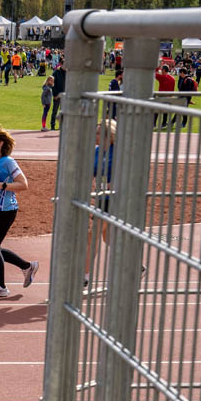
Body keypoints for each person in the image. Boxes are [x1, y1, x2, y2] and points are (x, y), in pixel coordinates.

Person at [0, 126, 39, 298]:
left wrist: (2, 185)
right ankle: (27, 267)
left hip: (7, 211)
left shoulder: (8, 162)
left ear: (0, 143)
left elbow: (23, 184)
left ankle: (0, 286)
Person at [84, 119, 115, 287]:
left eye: (98, 132)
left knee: (93, 235)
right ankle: (137, 266)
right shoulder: (96, 152)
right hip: (102, 199)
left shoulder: (118, 152)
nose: (95, 135)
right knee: (108, 237)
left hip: (115, 200)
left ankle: (84, 277)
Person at [50, 61, 66, 130]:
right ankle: (52, 126)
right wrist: (55, 94)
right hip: (57, 95)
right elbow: (53, 84)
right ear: (61, 64)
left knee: (63, 111)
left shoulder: (68, 72)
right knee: (55, 111)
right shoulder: (56, 72)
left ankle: (61, 126)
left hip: (65, 95)